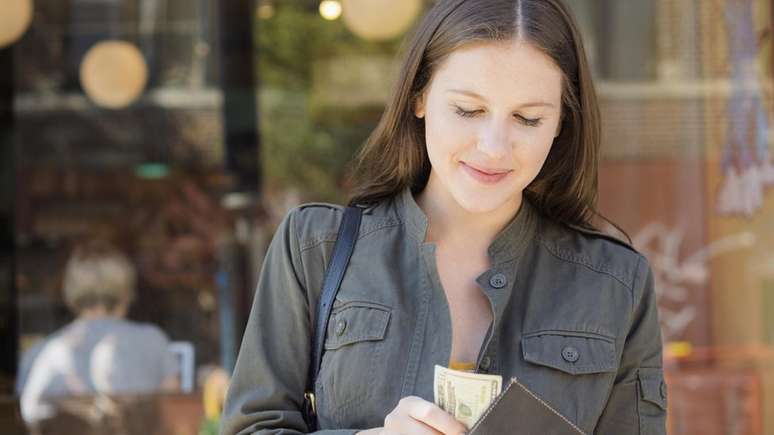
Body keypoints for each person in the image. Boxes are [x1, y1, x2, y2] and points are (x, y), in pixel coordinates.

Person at [221, 0, 667, 433]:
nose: (493, 146)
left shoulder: (615, 283)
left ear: (560, 124)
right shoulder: (315, 248)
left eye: (528, 118)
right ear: (419, 98)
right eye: (468, 110)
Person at [16, 240, 179, 425]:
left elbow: (27, 419)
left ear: (69, 291)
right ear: (128, 291)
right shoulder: (153, 340)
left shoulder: (39, 353)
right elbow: (171, 415)